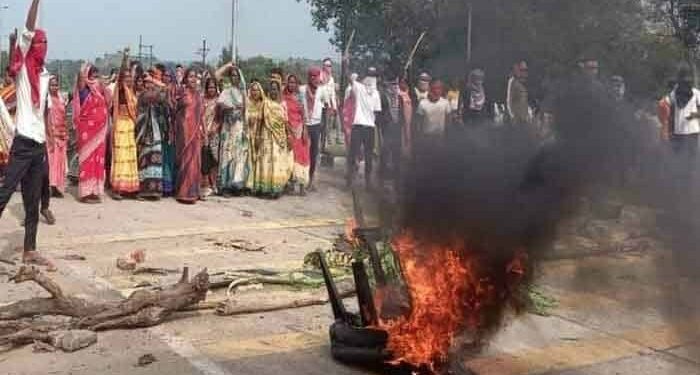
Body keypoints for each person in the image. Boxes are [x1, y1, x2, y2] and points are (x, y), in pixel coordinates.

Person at [0, 0, 55, 269]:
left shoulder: (45, 75)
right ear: (32, 46)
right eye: (39, 43)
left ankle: (29, 250)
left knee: (32, 202)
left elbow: (43, 110)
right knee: (6, 191)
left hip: (38, 145)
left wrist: (49, 137)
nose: (43, 47)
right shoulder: (23, 69)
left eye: (46, 43)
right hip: (22, 142)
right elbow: (28, 29)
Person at [246, 80, 292, 198]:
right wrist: (257, 137)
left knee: (276, 162)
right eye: (271, 89)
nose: (273, 91)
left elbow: (285, 122)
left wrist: (288, 136)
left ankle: (275, 189)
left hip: (279, 137)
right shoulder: (265, 103)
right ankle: (264, 188)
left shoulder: (282, 105)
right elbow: (261, 120)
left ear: (279, 90)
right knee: (265, 162)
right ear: (268, 90)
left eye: (276, 89)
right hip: (265, 136)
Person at [74, 63, 110, 203]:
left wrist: (104, 85)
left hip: (100, 134)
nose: (95, 80)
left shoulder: (101, 92)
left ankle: (95, 191)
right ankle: (85, 193)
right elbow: (80, 79)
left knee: (98, 162)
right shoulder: (84, 91)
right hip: (87, 134)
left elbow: (110, 101)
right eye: (92, 77)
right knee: (87, 161)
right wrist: (83, 69)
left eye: (97, 76)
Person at [215, 62, 249, 196]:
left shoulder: (243, 93)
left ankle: (236, 185)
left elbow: (246, 110)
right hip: (228, 127)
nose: (234, 78)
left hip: (239, 126)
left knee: (238, 155)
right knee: (226, 154)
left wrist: (246, 128)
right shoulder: (226, 90)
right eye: (232, 75)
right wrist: (228, 65)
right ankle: (225, 186)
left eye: (236, 75)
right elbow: (216, 76)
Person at [109, 50, 140, 200]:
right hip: (120, 125)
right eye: (126, 77)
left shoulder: (132, 92)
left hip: (130, 125)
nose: (128, 79)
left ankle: (130, 188)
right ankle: (117, 189)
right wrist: (125, 60)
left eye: (130, 77)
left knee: (131, 155)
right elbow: (121, 75)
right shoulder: (121, 90)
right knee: (121, 156)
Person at [346, 67, 382, 188]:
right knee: (353, 154)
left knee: (369, 155)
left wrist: (370, 120)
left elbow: (376, 112)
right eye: (369, 75)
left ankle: (368, 181)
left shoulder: (376, 94)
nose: (371, 78)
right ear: (365, 76)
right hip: (358, 125)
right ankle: (350, 179)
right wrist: (346, 61)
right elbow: (349, 77)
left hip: (369, 127)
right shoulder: (359, 87)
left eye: (373, 75)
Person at [135, 74, 167, 200]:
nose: (149, 85)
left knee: (155, 159)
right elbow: (162, 91)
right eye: (147, 82)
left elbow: (164, 94)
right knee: (145, 160)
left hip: (156, 131)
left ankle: (155, 190)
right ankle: (143, 190)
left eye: (151, 83)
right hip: (145, 133)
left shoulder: (154, 96)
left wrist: (155, 83)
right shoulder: (144, 96)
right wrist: (158, 85)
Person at [300, 67, 332, 191]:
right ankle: (301, 179)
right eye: (311, 76)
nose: (313, 79)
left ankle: (311, 179)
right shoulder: (302, 89)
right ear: (308, 77)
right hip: (304, 125)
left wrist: (325, 126)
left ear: (319, 77)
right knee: (303, 152)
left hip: (316, 126)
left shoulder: (322, 90)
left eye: (316, 76)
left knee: (314, 153)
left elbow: (327, 107)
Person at [174, 68, 203, 204]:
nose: (193, 79)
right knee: (185, 161)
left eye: (195, 77)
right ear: (185, 78)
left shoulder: (198, 94)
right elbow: (176, 110)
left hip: (195, 132)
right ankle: (183, 192)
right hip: (184, 133)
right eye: (190, 76)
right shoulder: (182, 92)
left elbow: (200, 114)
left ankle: (193, 192)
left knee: (194, 162)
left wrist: (203, 132)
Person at [283, 74, 310, 195]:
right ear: (287, 83)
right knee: (290, 158)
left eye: (294, 82)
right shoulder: (283, 97)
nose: (292, 84)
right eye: (290, 82)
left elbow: (304, 115)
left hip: (299, 130)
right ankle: (291, 184)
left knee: (302, 157)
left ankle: (302, 185)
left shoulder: (300, 97)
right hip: (287, 130)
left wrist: (304, 129)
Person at [46, 75, 67, 198]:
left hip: (62, 133)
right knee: (51, 162)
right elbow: (47, 118)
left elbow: (63, 116)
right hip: (51, 134)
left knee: (59, 162)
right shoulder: (47, 100)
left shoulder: (60, 98)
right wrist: (50, 135)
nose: (54, 87)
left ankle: (55, 187)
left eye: (56, 85)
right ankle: (48, 187)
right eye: (52, 85)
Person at [201, 77, 220, 197]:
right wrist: (204, 131)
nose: (211, 89)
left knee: (215, 160)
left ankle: (214, 184)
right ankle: (206, 185)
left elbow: (220, 117)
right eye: (209, 87)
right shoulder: (202, 100)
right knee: (205, 159)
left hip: (215, 133)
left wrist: (215, 128)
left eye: (213, 87)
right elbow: (200, 116)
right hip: (203, 133)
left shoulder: (219, 101)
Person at [507, 60, 532, 125]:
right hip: (517, 120)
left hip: (523, 120)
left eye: (525, 70)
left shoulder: (522, 84)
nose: (524, 72)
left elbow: (524, 102)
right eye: (522, 70)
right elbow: (509, 100)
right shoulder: (513, 82)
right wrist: (513, 116)